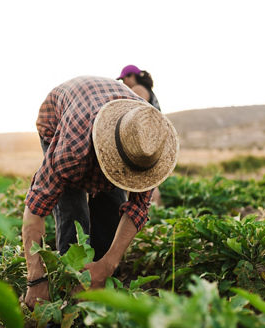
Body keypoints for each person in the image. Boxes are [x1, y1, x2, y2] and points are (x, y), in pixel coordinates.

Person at [22, 76, 178, 311]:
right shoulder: (71, 151)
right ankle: (71, 290)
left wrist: (107, 264)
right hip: (57, 121)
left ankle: (98, 286)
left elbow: (136, 210)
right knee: (73, 214)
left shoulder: (147, 148)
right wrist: (36, 279)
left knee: (111, 213)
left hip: (106, 120)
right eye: (118, 168)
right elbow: (35, 210)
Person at [117, 65, 162, 205]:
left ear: (132, 76)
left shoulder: (138, 90)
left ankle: (145, 210)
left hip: (144, 138)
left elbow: (134, 113)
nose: (123, 83)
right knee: (150, 178)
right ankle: (156, 212)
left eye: (124, 79)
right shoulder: (148, 91)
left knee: (139, 179)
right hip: (155, 137)